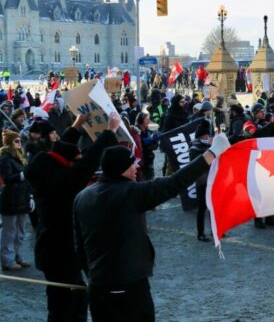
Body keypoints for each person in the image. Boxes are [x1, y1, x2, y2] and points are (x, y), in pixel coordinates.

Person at [73, 133, 230, 322]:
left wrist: (92, 275)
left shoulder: (82, 197)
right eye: (133, 163)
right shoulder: (130, 193)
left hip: (98, 287)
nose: (137, 166)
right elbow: (174, 182)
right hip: (129, 287)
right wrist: (211, 153)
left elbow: (79, 246)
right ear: (121, 169)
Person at [27, 113, 121, 321]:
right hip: (59, 251)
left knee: (73, 300)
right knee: (67, 306)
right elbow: (83, 166)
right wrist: (109, 133)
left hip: (57, 250)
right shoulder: (61, 181)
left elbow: (62, 153)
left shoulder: (44, 165)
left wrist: (76, 127)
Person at [0, 130, 32, 271]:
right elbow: (7, 177)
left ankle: (18, 256)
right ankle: (8, 259)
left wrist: (30, 196)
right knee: (9, 231)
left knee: (20, 231)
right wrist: (22, 175)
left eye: (20, 140)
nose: (20, 143)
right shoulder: (5, 157)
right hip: (10, 197)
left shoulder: (21, 156)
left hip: (22, 196)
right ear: (9, 142)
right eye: (16, 141)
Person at [189, 119, 213, 242]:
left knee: (213, 206)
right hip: (202, 181)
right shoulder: (195, 148)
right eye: (205, 135)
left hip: (211, 180)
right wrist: (210, 148)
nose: (207, 137)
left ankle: (214, 230)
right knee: (202, 207)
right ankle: (201, 233)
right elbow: (199, 162)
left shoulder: (207, 146)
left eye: (208, 135)